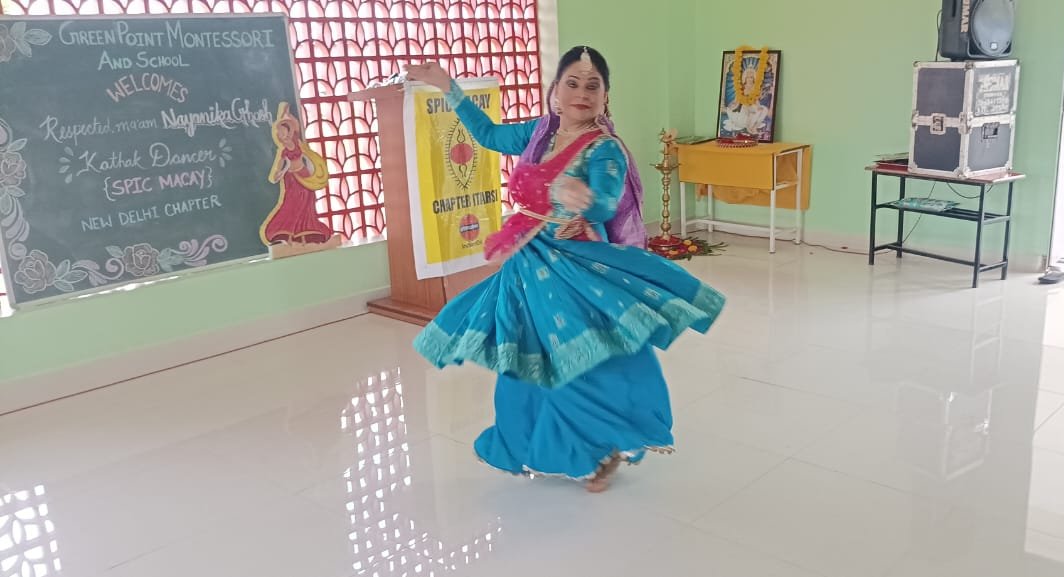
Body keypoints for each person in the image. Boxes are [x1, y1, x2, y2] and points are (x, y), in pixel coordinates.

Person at [403, 47, 725, 493]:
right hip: (526, 263)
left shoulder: (604, 149)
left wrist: (582, 198)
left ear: (605, 97)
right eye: (572, 82)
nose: (582, 93)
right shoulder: (539, 133)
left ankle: (599, 447)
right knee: (524, 359)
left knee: (581, 360)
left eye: (593, 85)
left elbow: (608, 201)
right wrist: (449, 88)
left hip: (574, 264)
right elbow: (490, 134)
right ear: (554, 91)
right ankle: (529, 443)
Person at [260, 102, 339, 253]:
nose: (283, 136)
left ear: (290, 132)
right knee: (292, 204)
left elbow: (294, 125)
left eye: (284, 132)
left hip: (304, 178)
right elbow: (276, 174)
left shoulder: (298, 145)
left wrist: (285, 113)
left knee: (307, 205)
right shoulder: (283, 152)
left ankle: (307, 233)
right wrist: (283, 172)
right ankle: (287, 233)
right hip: (290, 181)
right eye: (280, 134)